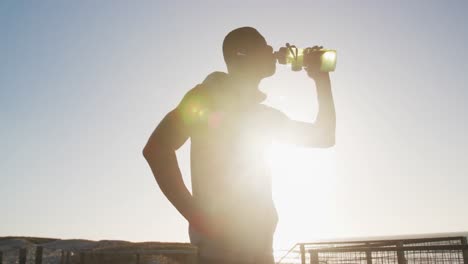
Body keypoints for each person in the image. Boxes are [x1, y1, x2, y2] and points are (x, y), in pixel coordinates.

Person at [143, 27, 336, 264]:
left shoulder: (262, 115)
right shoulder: (206, 97)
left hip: (261, 252)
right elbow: (157, 149)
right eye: (263, 45)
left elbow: (324, 137)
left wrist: (321, 78)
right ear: (241, 54)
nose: (270, 50)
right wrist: (197, 217)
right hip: (221, 255)